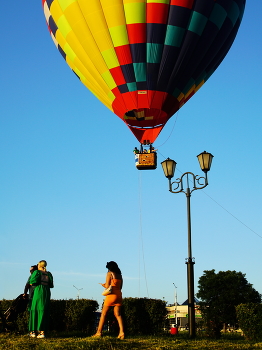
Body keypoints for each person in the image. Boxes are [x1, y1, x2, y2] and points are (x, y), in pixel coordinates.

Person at [93, 261, 124, 339]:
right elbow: (120, 287)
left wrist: (103, 285)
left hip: (111, 296)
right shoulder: (120, 276)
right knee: (118, 314)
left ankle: (99, 332)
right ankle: (121, 332)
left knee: (103, 314)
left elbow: (107, 286)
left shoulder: (109, 274)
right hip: (119, 295)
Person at [28, 260, 54, 338]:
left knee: (35, 309)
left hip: (38, 291)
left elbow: (32, 282)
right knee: (44, 310)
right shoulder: (49, 274)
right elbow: (51, 285)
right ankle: (42, 332)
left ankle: (33, 331)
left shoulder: (37, 272)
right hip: (46, 291)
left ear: (39, 265)